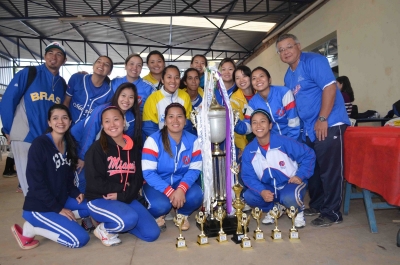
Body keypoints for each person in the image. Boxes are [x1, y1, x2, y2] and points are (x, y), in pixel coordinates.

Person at [276, 33, 350, 227]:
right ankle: (317, 204)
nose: (285, 52)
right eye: (281, 50)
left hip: (328, 123)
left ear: (298, 46)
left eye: (289, 47)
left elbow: (329, 88)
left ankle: (332, 212)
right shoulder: (288, 76)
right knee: (313, 169)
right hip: (309, 129)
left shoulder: (314, 61)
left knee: (329, 170)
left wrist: (322, 118)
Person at [11, 104, 90, 249]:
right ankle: (31, 228)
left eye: (64, 118)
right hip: (40, 207)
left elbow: (67, 176)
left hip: (61, 199)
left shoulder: (68, 143)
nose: (60, 122)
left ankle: (58, 220)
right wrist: (58, 209)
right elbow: (35, 183)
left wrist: (75, 192)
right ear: (49, 122)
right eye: (55, 118)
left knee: (91, 207)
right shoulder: (40, 144)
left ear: (70, 121)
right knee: (80, 239)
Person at [85, 106, 160, 247]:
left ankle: (121, 222)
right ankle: (104, 228)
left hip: (125, 198)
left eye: (116, 119)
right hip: (100, 199)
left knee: (151, 234)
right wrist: (122, 187)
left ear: (124, 121)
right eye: (107, 121)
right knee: (128, 219)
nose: (112, 124)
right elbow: (94, 182)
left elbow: (137, 180)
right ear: (102, 125)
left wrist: (122, 195)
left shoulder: (133, 148)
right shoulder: (96, 149)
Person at [0, 42, 68, 196]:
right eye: (50, 53)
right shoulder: (29, 73)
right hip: (25, 136)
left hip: (48, 140)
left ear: (64, 60)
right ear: (44, 56)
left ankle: (45, 216)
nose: (53, 57)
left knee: (47, 180)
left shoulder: (61, 84)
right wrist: (8, 129)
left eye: (59, 54)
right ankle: (34, 217)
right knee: (30, 183)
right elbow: (8, 100)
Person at [241, 109, 315, 228]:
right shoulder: (249, 151)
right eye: (254, 122)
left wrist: (300, 175)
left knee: (290, 197)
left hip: (290, 183)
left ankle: (298, 211)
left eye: (262, 121)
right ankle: (275, 208)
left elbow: (309, 155)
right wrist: (262, 191)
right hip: (269, 187)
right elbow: (248, 177)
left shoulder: (284, 142)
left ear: (270, 125)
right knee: (249, 196)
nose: (258, 125)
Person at [71, 83, 142, 194]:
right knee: (84, 177)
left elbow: (126, 143)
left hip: (100, 148)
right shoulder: (102, 110)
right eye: (123, 95)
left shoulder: (131, 118)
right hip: (79, 142)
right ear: (117, 95)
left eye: (131, 97)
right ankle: (81, 206)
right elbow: (89, 133)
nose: (126, 100)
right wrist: (82, 157)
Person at [142, 103, 203, 231]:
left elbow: (195, 169)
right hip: (157, 185)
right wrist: (170, 192)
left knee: (197, 195)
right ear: (165, 121)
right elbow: (149, 173)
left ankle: (182, 214)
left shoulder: (193, 140)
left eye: (179, 116)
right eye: (171, 116)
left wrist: (181, 189)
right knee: (160, 206)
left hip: (180, 182)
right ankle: (159, 214)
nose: (175, 120)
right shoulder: (153, 141)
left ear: (185, 121)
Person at [241, 67, 300, 140]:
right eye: (254, 78)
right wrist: (236, 124)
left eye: (261, 76)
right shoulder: (253, 103)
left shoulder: (284, 93)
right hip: (273, 142)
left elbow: (293, 121)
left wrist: (289, 143)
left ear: (269, 80)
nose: (258, 80)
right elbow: (248, 127)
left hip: (294, 138)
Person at [142, 65, 193, 137]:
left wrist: (178, 140)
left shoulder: (185, 96)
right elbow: (149, 127)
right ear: (162, 80)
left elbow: (187, 124)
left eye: (176, 77)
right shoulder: (152, 99)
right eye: (169, 77)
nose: (173, 81)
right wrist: (165, 141)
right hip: (159, 143)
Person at [63, 55, 114, 124]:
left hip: (88, 132)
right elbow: (66, 102)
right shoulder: (77, 78)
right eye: (99, 61)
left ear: (109, 72)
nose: (101, 65)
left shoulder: (109, 94)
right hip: (68, 127)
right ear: (93, 66)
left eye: (106, 64)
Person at [231, 65, 255, 155]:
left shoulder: (260, 93)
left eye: (244, 76)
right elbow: (236, 126)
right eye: (237, 78)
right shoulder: (234, 100)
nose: (241, 80)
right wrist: (243, 147)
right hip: (247, 143)